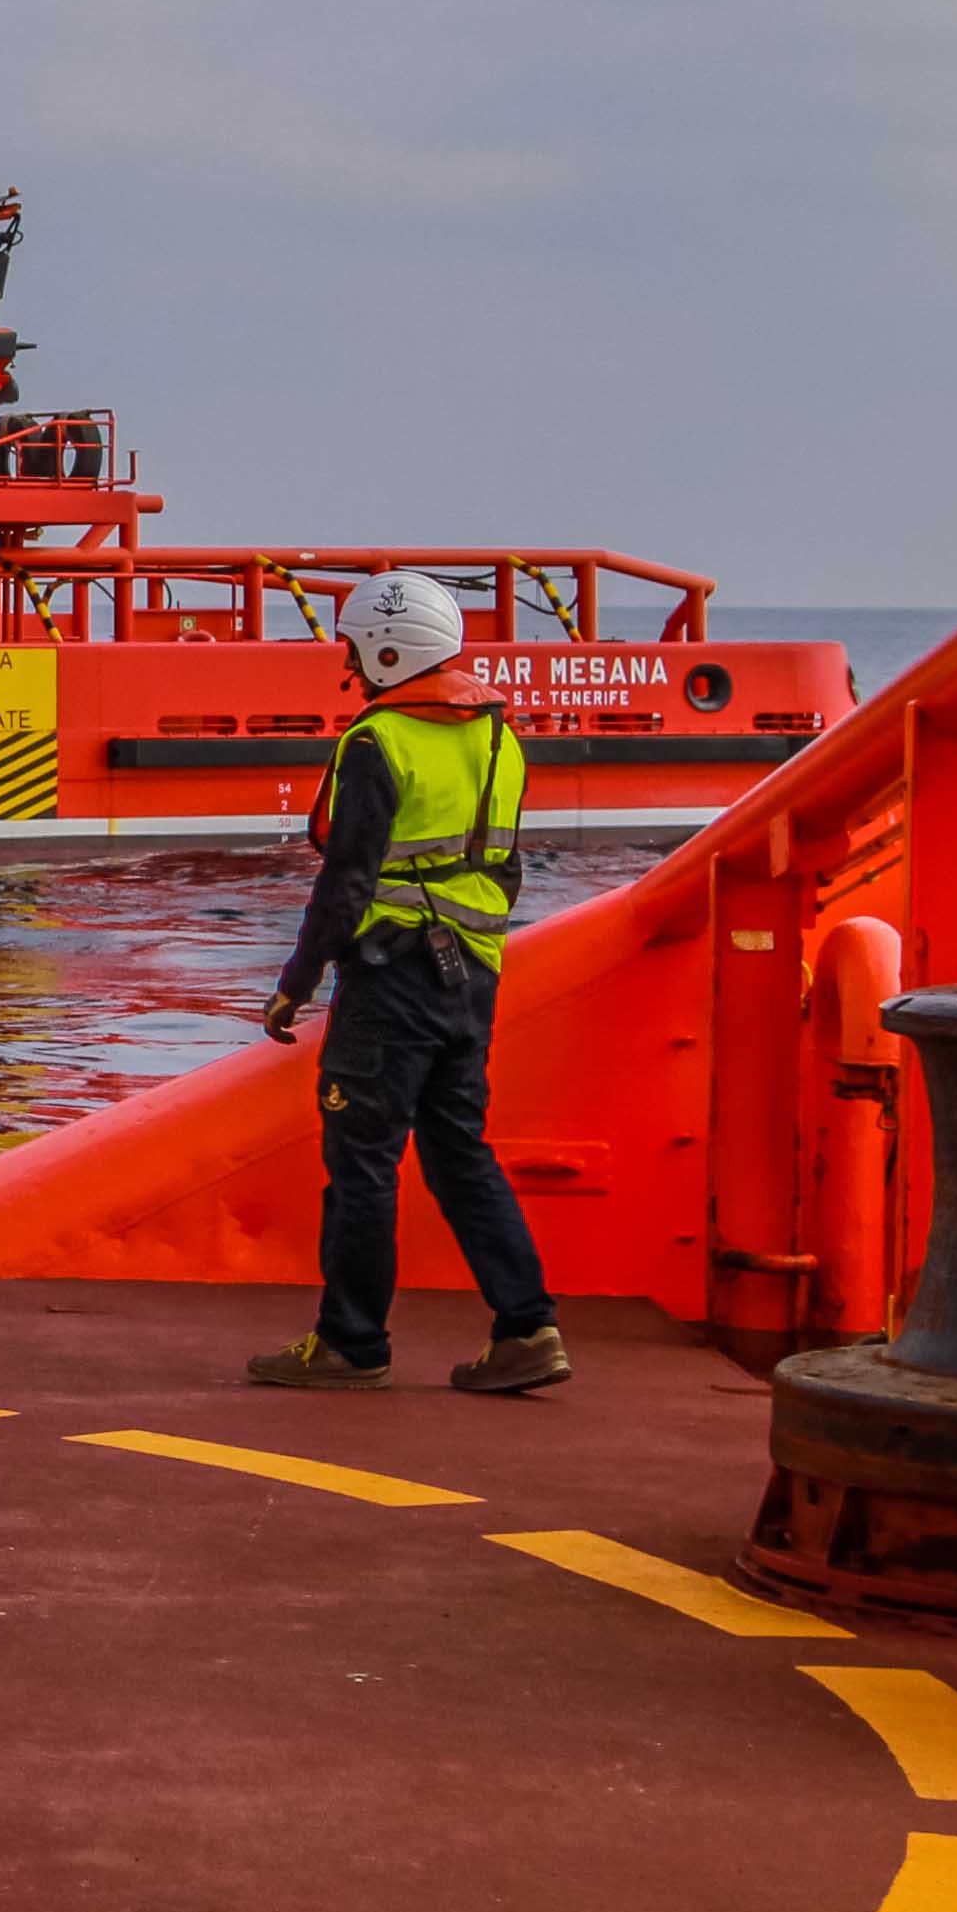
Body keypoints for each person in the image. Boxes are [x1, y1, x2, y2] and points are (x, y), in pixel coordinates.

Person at [247, 570, 570, 1397]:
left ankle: (352, 1344)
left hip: (392, 976)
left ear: (390, 651)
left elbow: (347, 879)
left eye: (357, 650)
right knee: (460, 1152)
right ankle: (528, 1327)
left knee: (363, 1162)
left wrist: (296, 982)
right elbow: (505, 863)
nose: (351, 668)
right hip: (473, 974)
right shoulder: (499, 737)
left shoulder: (378, 742)